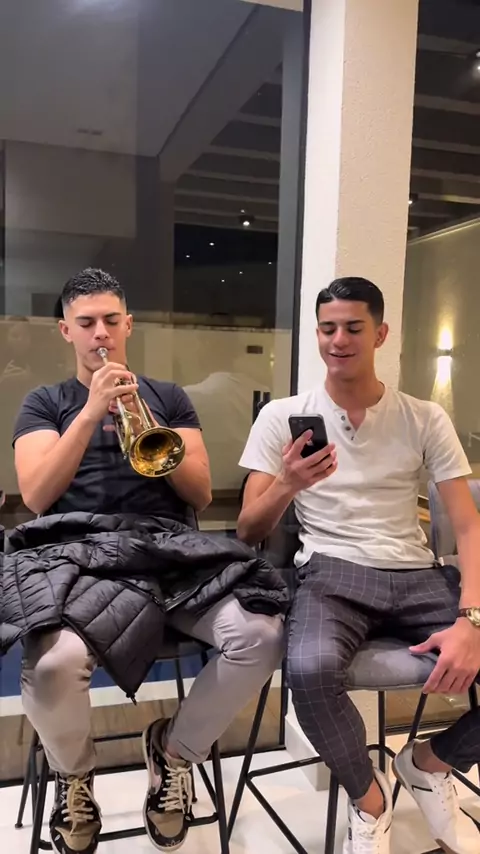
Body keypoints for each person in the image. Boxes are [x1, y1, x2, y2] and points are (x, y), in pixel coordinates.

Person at [12, 268, 284, 854]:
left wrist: (146, 422)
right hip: (80, 557)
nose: (101, 333)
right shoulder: (45, 403)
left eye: (111, 320)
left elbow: (200, 494)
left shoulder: (168, 398)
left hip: (167, 553)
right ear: (66, 330)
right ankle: (75, 777)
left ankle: (174, 753)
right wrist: (91, 413)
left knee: (260, 636)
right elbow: (35, 496)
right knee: (54, 665)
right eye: (87, 323)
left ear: (129, 325)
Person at [237, 276, 480, 854]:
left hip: (417, 574)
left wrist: (471, 619)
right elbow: (249, 528)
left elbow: (468, 525)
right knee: (308, 672)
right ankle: (371, 801)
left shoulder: (423, 417)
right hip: (332, 572)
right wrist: (288, 483)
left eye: (353, 327)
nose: (338, 340)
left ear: (381, 333)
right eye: (328, 328)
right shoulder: (282, 416)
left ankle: (429, 762)